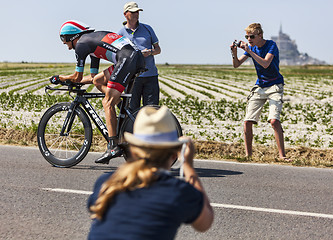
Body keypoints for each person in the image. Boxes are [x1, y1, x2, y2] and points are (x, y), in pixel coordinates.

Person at [87, 106, 214, 240]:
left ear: (134, 151)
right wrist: (188, 166)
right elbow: (205, 222)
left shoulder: (107, 182)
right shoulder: (177, 191)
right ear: (173, 155)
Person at [51, 20, 145, 164]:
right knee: (98, 81)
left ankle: (113, 146)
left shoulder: (81, 45)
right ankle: (122, 109)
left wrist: (61, 78)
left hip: (126, 59)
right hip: (132, 58)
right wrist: (73, 80)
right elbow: (92, 78)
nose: (68, 47)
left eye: (66, 41)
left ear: (72, 37)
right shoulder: (91, 44)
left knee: (107, 102)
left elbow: (78, 76)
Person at [230, 23, 291, 162]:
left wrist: (250, 51)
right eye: (247, 36)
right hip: (260, 86)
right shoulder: (251, 47)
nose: (249, 39)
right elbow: (236, 64)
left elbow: (265, 63)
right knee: (247, 121)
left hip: (275, 85)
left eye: (252, 36)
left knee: (274, 121)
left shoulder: (271, 45)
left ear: (260, 35)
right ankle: (248, 156)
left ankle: (282, 156)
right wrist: (234, 53)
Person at [118, 2, 161, 111]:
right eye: (133, 12)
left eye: (137, 12)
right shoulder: (121, 33)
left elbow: (158, 49)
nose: (136, 14)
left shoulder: (148, 29)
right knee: (132, 110)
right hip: (132, 78)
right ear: (125, 14)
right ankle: (132, 128)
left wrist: (150, 52)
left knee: (152, 110)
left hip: (150, 76)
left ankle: (150, 129)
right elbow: (118, 56)